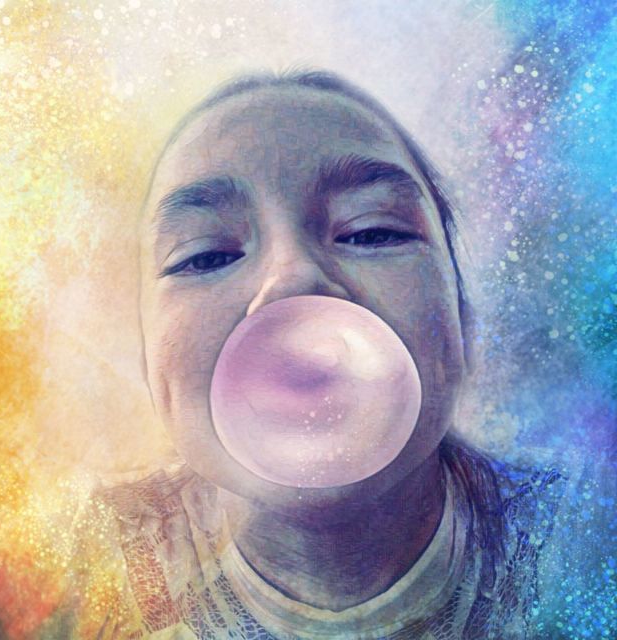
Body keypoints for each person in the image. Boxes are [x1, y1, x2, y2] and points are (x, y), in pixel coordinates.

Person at [65, 71, 567, 640]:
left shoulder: (582, 537)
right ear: (148, 356)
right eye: (205, 256)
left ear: (464, 319)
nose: (292, 279)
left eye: (372, 231)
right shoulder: (70, 576)